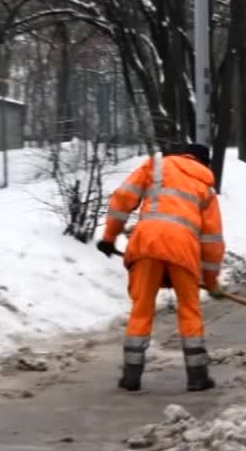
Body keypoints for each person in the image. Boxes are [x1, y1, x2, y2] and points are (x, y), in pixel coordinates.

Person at [96, 143, 225, 392]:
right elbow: (212, 241)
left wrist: (109, 237)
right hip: (183, 249)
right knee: (189, 309)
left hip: (146, 243)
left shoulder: (156, 166)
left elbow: (123, 198)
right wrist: (210, 281)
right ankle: (197, 376)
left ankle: (131, 376)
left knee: (141, 309)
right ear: (203, 163)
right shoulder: (206, 189)